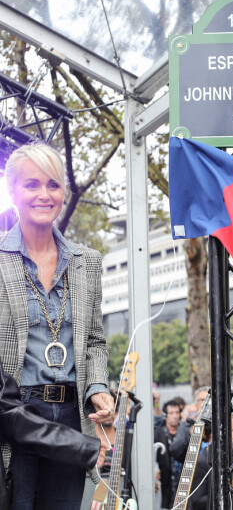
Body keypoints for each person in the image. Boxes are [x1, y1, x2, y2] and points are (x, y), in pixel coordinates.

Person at [0, 142, 114, 510]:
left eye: (53, 184)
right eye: (31, 185)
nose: (44, 194)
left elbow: (95, 340)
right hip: (16, 418)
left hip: (69, 419)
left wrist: (98, 386)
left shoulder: (88, 262)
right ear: (12, 190)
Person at [0, 358, 105, 510]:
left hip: (70, 411)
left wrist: (97, 386)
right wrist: (80, 446)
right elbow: (6, 410)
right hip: (22, 424)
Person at [155, 399, 190, 509]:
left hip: (184, 486)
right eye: (171, 413)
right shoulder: (158, 434)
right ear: (166, 416)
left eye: (177, 413)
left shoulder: (184, 432)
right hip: (165, 487)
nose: (175, 416)